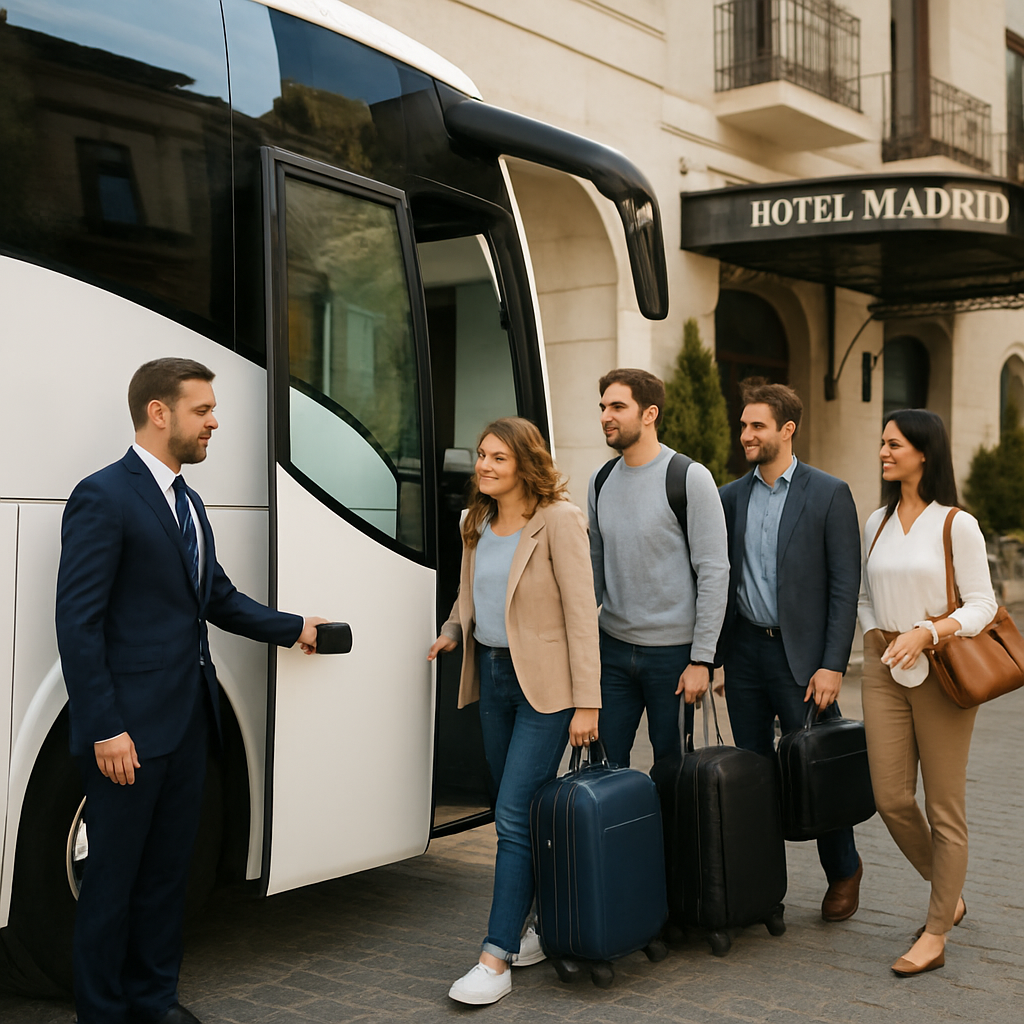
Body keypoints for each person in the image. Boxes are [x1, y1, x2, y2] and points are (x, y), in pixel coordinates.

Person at [55, 358, 325, 1024]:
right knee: (111, 885)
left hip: (188, 723)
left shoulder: (189, 501)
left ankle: (153, 1000)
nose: (213, 423)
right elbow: (78, 623)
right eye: (202, 410)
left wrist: (294, 628)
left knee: (167, 879)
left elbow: (216, 598)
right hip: (128, 733)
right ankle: (101, 1011)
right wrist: (105, 727)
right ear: (158, 412)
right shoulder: (104, 495)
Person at [427, 417, 600, 1006]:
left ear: (526, 463)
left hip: (547, 689)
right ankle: (535, 929)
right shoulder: (474, 522)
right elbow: (469, 589)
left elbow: (582, 614)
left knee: (510, 817)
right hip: (494, 677)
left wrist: (588, 702)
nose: (484, 466)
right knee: (520, 813)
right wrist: (453, 628)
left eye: (498, 458)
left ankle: (495, 956)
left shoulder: (558, 520)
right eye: (481, 456)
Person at [716, 379, 864, 921]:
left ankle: (844, 869)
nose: (746, 433)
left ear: (787, 429)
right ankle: (761, 888)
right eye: (744, 424)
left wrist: (832, 665)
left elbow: (845, 588)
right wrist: (714, 657)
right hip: (747, 654)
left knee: (817, 768)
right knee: (753, 775)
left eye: (757, 425)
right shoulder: (730, 496)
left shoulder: (828, 493)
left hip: (803, 661)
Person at [858, 409, 996, 976]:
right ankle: (949, 892)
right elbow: (866, 592)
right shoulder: (876, 522)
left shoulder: (955, 524)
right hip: (884, 666)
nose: (884, 452)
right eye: (883, 443)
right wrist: (875, 634)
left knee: (944, 808)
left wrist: (927, 631)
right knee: (890, 798)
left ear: (924, 453)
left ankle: (937, 929)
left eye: (894, 444)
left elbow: (983, 605)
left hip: (941, 669)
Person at [588, 368, 729, 768]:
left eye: (618, 406)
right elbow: (595, 569)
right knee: (603, 766)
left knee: (672, 769)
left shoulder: (688, 477)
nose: (605, 417)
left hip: (674, 656)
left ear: (649, 414)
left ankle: (668, 835)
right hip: (612, 650)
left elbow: (715, 571)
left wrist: (702, 660)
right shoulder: (600, 481)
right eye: (602, 407)